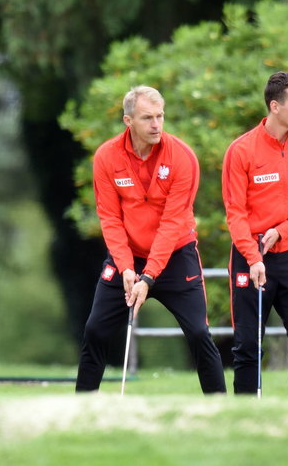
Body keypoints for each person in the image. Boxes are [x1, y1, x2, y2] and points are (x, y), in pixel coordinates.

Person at [75, 86, 226, 394]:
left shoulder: (183, 157)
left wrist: (149, 276)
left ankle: (220, 407)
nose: (156, 124)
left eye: (160, 116)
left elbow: (172, 223)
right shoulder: (106, 156)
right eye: (147, 118)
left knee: (198, 332)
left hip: (175, 254)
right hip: (126, 257)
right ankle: (83, 406)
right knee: (95, 330)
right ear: (128, 121)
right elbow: (110, 218)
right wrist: (127, 269)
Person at [222, 71, 288, 396]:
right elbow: (235, 213)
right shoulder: (241, 151)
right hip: (249, 257)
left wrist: (281, 232)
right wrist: (254, 258)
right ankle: (245, 417)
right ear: (275, 106)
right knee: (247, 346)